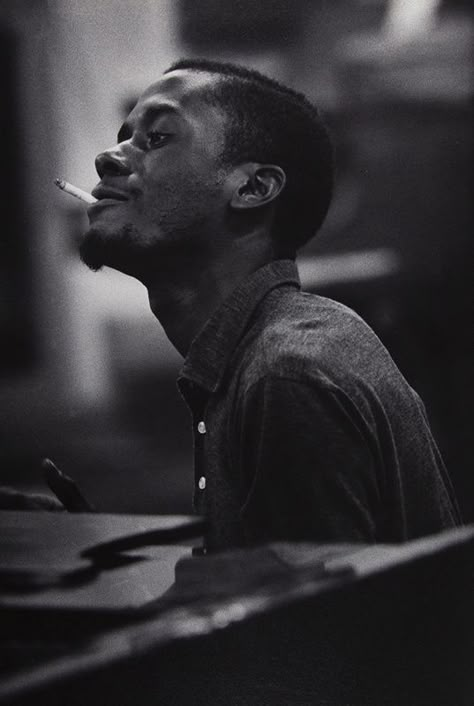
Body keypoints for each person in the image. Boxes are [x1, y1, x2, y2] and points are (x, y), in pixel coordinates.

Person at [3, 59, 461, 550]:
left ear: (252, 187)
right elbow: (270, 592)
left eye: (156, 138)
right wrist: (94, 540)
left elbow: (320, 624)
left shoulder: (287, 373)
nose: (107, 158)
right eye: (124, 135)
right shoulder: (258, 357)